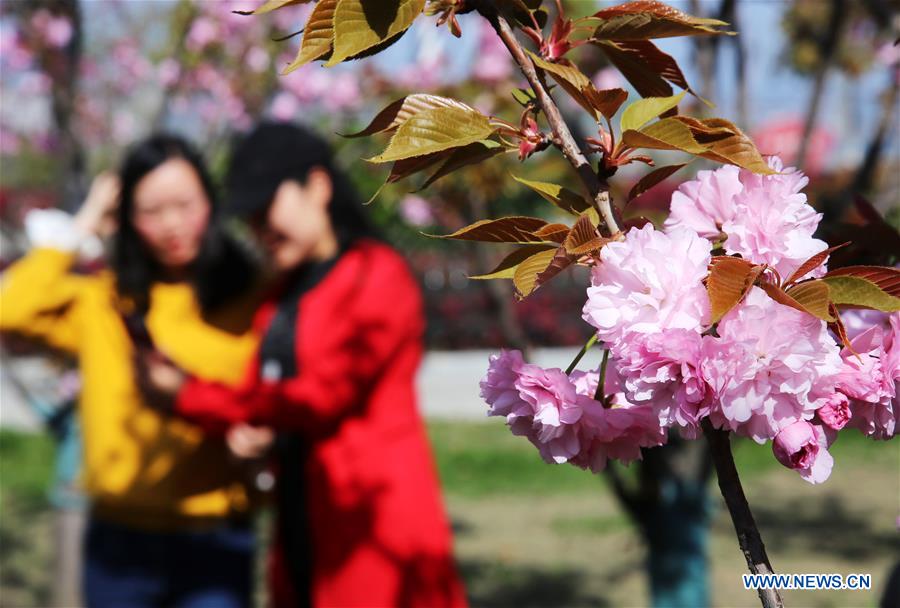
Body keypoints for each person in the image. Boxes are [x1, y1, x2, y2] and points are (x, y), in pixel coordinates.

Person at [139, 122, 468, 608]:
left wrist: (188, 395)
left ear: (316, 186)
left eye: (265, 207)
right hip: (301, 516)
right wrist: (253, 437)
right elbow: (271, 394)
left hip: (372, 520)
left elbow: (322, 396)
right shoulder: (280, 293)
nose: (258, 228)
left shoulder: (376, 276)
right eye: (249, 216)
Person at [0, 134, 262, 608]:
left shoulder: (249, 299)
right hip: (119, 540)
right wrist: (83, 223)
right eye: (150, 211)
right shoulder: (104, 300)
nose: (171, 225)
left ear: (210, 201)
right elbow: (8, 308)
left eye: (185, 204)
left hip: (215, 537)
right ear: (125, 218)